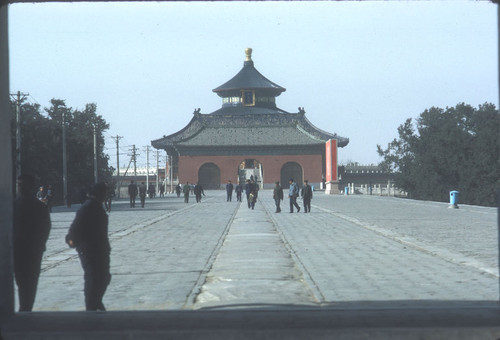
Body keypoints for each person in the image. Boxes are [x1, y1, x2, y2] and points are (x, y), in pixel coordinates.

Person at [66, 182, 111, 311]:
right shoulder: (88, 207)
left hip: (99, 248)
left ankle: (95, 302)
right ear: (100, 193)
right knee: (93, 277)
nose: (106, 195)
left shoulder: (96, 206)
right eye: (105, 192)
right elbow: (75, 228)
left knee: (103, 277)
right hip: (89, 250)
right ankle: (92, 306)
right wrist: (73, 241)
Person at [13, 174, 51, 312]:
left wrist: (39, 245)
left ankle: (25, 309)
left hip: (32, 252)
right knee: (20, 281)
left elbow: (46, 228)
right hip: (14, 251)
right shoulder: (12, 206)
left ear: (31, 186)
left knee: (29, 284)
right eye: (19, 184)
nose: (21, 187)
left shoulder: (39, 207)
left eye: (24, 184)